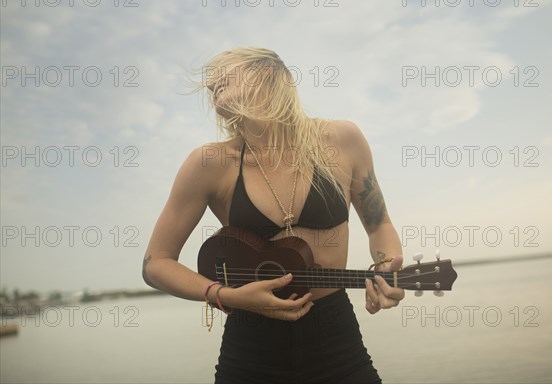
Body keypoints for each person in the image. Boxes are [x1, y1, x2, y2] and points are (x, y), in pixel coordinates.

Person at [142, 47, 405, 383]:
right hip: (249, 349)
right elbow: (155, 264)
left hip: (337, 341)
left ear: (267, 73)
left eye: (224, 72)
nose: (210, 84)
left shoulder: (342, 140)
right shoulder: (209, 163)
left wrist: (386, 267)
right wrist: (225, 296)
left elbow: (379, 225)